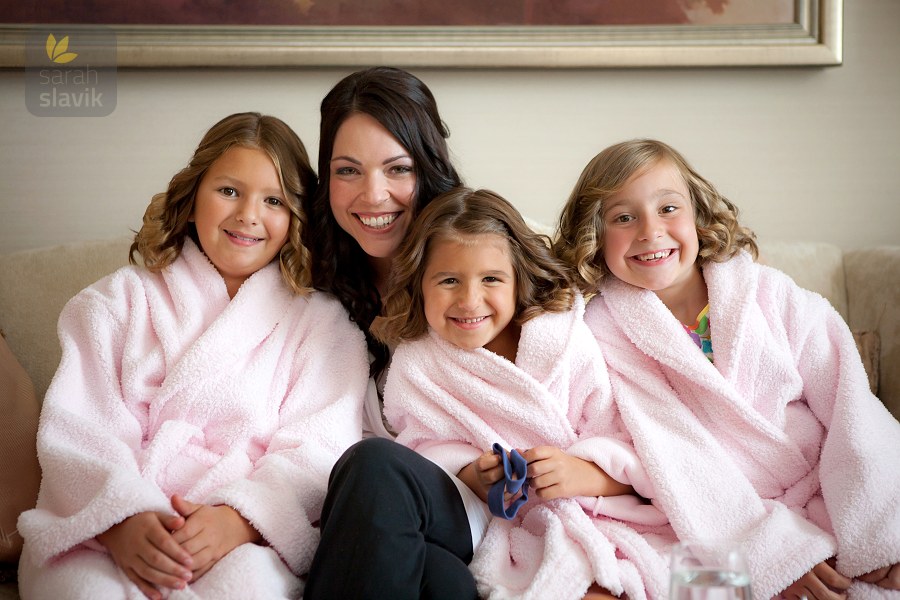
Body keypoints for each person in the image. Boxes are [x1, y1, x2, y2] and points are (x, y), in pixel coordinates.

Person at [16, 112, 370, 600]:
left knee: (250, 587)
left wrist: (241, 518)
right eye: (229, 191)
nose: (248, 214)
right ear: (191, 199)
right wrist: (121, 517)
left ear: (296, 219)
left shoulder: (322, 325)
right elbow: (79, 425)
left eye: (273, 201)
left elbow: (319, 445)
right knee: (85, 591)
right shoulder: (116, 302)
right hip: (112, 523)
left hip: (238, 533)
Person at [554, 139, 900, 600]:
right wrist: (771, 556)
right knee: (639, 576)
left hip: (821, 495)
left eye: (668, 208)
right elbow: (667, 453)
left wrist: (883, 529)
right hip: (705, 519)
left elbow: (850, 407)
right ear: (595, 237)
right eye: (623, 218)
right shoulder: (601, 333)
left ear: (698, 214)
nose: (650, 231)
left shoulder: (771, 296)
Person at [372, 187, 670, 600]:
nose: (469, 301)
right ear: (420, 283)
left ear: (518, 280)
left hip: (600, 509)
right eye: (449, 280)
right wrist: (473, 475)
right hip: (504, 527)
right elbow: (422, 452)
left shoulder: (564, 337)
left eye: (491, 279)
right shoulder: (419, 364)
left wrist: (581, 472)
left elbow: (628, 441)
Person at [302, 67, 478, 600]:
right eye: (348, 170)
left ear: (429, 168)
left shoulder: (479, 266)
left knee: (377, 466)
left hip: (472, 496)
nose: (373, 195)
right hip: (370, 514)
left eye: (397, 168)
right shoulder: (307, 286)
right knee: (442, 582)